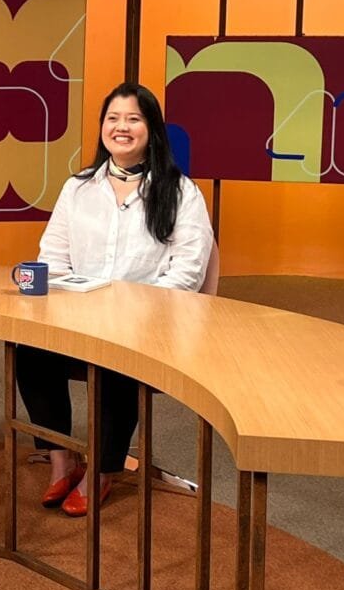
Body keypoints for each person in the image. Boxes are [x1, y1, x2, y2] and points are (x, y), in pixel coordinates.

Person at [16, 82, 213, 517]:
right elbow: (53, 255)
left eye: (133, 119)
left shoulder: (181, 193)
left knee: (117, 359)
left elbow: (188, 272)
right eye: (113, 119)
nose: (121, 127)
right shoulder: (79, 188)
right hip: (78, 315)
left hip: (146, 327)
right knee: (28, 350)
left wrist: (129, 310)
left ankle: (103, 470)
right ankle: (62, 461)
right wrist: (76, 300)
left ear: (151, 130)